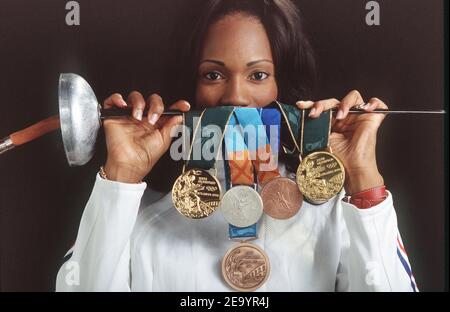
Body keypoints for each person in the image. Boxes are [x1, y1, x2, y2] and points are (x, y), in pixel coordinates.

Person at [56, 0, 418, 291]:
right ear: (192, 86)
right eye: (213, 74)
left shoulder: (336, 214)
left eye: (258, 75)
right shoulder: (134, 218)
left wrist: (361, 176)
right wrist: (120, 177)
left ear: (283, 86)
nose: (235, 97)